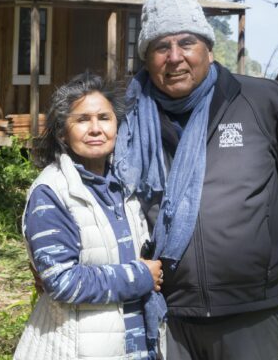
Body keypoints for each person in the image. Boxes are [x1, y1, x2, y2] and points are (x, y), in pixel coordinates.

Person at [112, 0, 278, 360]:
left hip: (250, 306)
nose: (175, 57)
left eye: (186, 42)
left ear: (208, 48)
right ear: (146, 58)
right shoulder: (128, 117)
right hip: (168, 307)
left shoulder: (263, 101)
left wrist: (262, 236)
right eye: (161, 46)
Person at [14, 73, 166, 360]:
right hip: (81, 348)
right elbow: (62, 281)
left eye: (104, 118)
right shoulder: (52, 192)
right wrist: (140, 276)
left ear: (117, 126)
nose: (95, 129)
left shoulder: (127, 185)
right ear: (62, 133)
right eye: (82, 119)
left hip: (137, 346)